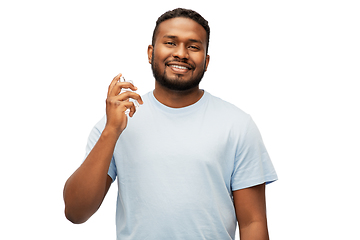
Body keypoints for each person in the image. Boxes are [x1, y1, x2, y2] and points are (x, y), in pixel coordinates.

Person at [63, 8, 278, 240]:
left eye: (193, 46)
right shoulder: (117, 122)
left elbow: (253, 222)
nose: (182, 54)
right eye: (170, 43)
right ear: (150, 52)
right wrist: (111, 131)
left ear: (206, 61)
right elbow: (76, 212)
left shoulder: (237, 125)